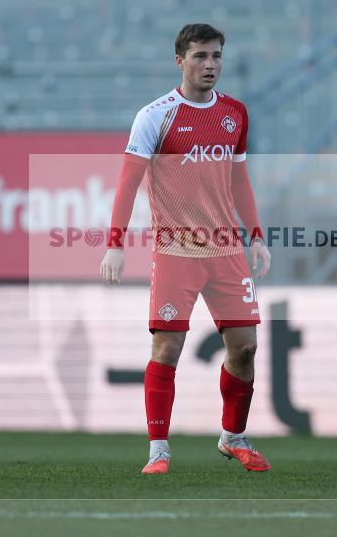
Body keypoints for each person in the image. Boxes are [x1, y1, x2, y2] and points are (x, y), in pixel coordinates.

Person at [100, 23, 272, 474]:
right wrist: (115, 244)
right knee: (167, 350)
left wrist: (256, 236)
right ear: (179, 60)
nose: (210, 65)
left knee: (246, 348)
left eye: (216, 56)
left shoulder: (235, 113)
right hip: (176, 250)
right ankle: (158, 450)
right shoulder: (155, 116)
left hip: (226, 250)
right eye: (200, 56)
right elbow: (128, 184)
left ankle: (233, 437)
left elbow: (239, 180)